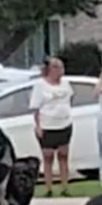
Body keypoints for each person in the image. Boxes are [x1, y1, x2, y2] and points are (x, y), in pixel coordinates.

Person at [29, 57, 74, 197]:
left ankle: (65, 186)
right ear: (51, 70)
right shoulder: (40, 86)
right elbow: (35, 108)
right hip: (48, 125)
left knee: (63, 155)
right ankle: (49, 187)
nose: (61, 71)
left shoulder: (66, 84)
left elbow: (70, 99)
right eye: (58, 68)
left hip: (64, 124)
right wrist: (38, 126)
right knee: (48, 157)